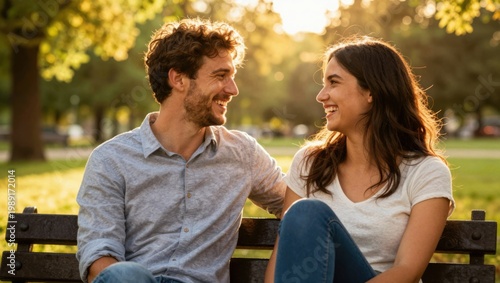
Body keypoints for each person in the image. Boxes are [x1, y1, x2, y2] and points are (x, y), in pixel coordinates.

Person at [76, 18, 286, 283]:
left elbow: (295, 206)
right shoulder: (111, 160)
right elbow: (98, 257)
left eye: (232, 77)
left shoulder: (243, 153)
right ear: (178, 79)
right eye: (221, 76)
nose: (233, 90)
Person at [265, 36, 454, 283]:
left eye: (333, 82)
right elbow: (282, 260)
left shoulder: (426, 172)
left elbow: (407, 271)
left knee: (307, 212)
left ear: (371, 92)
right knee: (304, 214)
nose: (321, 96)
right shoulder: (309, 163)